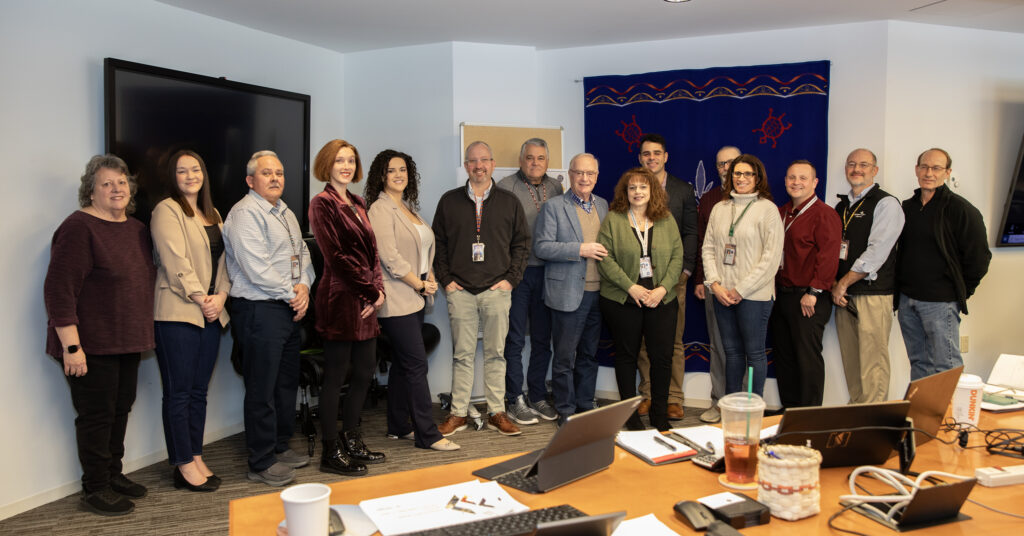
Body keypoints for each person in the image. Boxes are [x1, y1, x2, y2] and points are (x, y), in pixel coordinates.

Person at [44, 155, 156, 515]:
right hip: (90, 344)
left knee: (120, 409)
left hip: (127, 339)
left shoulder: (137, 228)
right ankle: (94, 487)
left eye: (121, 182)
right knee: (96, 416)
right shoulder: (79, 228)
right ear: (90, 192)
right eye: (106, 184)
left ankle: (112, 473)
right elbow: (59, 290)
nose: (116, 189)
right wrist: (71, 346)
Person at [224, 150, 316, 486]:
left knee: (285, 383)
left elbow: (303, 254)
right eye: (266, 173)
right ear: (251, 180)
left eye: (279, 172)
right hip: (259, 310)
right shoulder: (245, 214)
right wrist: (295, 294)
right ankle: (260, 461)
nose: (275, 178)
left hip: (287, 307)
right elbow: (256, 268)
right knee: (261, 388)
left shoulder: (286, 212)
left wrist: (305, 287)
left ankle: (279, 446)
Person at [432, 141, 530, 437]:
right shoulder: (449, 201)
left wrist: (510, 280)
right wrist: (446, 280)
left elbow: (522, 244)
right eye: (472, 161)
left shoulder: (509, 201)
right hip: (460, 291)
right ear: (466, 166)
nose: (478, 166)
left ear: (493, 163)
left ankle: (496, 411)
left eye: (484, 160)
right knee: (462, 354)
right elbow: (439, 245)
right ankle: (458, 412)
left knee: (496, 354)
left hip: (496, 290)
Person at [365, 149, 460, 451]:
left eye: (403, 170)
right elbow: (389, 258)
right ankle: (427, 434)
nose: (398, 175)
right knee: (417, 365)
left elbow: (422, 250)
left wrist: (429, 277)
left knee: (404, 366)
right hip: (395, 301)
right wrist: (419, 283)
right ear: (381, 175)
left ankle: (397, 425)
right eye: (391, 170)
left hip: (416, 299)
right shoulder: (380, 210)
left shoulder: (407, 208)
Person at [150, 150, 230, 492]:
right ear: (173, 176)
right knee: (179, 392)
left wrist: (221, 298)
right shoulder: (166, 210)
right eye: (182, 171)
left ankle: (195, 455)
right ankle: (182, 463)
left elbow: (228, 263)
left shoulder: (213, 214)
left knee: (199, 391)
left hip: (212, 312)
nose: (190, 175)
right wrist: (201, 299)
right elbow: (174, 261)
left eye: (195, 169)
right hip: (179, 313)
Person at [308, 139, 387, 475]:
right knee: (336, 377)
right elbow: (336, 258)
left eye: (351, 160)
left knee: (365, 372)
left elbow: (373, 254)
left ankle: (352, 440)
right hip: (340, 299)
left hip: (367, 299)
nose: (346, 166)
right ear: (327, 164)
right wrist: (370, 292)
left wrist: (378, 291)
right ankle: (330, 452)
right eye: (340, 160)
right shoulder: (321, 203)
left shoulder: (357, 201)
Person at [598, 167, 683, 432]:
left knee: (661, 358)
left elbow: (677, 257)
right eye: (632, 187)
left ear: (652, 191)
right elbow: (605, 259)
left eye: (643, 187)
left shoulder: (666, 219)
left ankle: (659, 414)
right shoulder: (614, 219)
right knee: (626, 356)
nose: (637, 192)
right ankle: (629, 416)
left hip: (661, 298)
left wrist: (663, 289)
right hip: (623, 298)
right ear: (625, 192)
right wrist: (631, 287)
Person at [897, 148, 991, 380]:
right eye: (924, 167)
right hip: (907, 300)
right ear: (917, 170)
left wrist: (957, 292)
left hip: (940, 303)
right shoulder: (907, 207)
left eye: (936, 168)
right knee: (918, 363)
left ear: (947, 172)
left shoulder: (961, 210)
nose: (929, 173)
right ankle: (923, 416)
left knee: (946, 366)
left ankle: (950, 417)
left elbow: (979, 258)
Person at [533, 153, 608, 426]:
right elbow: (542, 247)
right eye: (579, 173)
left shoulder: (603, 205)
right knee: (565, 357)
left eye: (590, 174)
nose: (584, 179)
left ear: (597, 177)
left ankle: (585, 405)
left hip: (598, 292)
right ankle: (565, 409)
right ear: (570, 174)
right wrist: (580, 249)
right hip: (566, 294)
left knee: (589, 355)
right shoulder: (554, 206)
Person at [701, 154, 783, 397]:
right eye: (737, 173)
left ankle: (751, 412)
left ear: (758, 178)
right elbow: (708, 249)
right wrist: (715, 285)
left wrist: (740, 290)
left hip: (754, 296)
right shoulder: (720, 208)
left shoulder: (767, 209)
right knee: (732, 352)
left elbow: (771, 259)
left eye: (747, 174)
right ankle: (730, 407)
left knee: (754, 353)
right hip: (722, 294)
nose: (741, 178)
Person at [497, 138, 564, 425]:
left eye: (540, 158)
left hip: (549, 273)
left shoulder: (557, 188)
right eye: (529, 158)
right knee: (513, 339)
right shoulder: (505, 187)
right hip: (517, 274)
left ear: (547, 162)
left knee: (541, 338)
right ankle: (514, 397)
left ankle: (537, 394)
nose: (534, 163)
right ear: (521, 160)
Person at [832, 148, 903, 403]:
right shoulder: (841, 206)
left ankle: (873, 422)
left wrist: (844, 282)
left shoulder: (886, 203)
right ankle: (855, 420)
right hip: (843, 296)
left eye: (864, 164)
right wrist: (834, 285)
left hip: (873, 294)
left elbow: (877, 251)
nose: (857, 169)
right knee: (852, 364)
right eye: (851, 164)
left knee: (873, 364)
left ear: (875, 170)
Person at [635, 134, 697, 420]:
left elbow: (691, 232)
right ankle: (647, 393)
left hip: (673, 281)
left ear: (665, 156)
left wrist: (684, 270)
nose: (651, 158)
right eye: (646, 154)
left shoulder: (682, 189)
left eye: (656, 153)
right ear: (640, 158)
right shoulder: (631, 189)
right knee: (644, 340)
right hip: (640, 280)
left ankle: (673, 397)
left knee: (672, 339)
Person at [769, 160, 841, 408]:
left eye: (802, 178)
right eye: (791, 178)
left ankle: (809, 414)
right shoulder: (780, 212)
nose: (796, 183)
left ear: (814, 182)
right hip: (782, 295)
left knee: (807, 358)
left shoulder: (825, 214)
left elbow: (829, 257)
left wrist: (814, 291)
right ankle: (788, 411)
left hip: (808, 297)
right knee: (784, 357)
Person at [694, 145, 740, 423]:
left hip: (748, 288)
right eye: (722, 164)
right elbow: (702, 242)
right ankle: (719, 402)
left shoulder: (759, 199)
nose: (727, 168)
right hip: (716, 283)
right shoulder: (710, 199)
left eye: (732, 162)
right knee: (719, 346)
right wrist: (702, 279)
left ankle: (743, 406)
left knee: (747, 348)